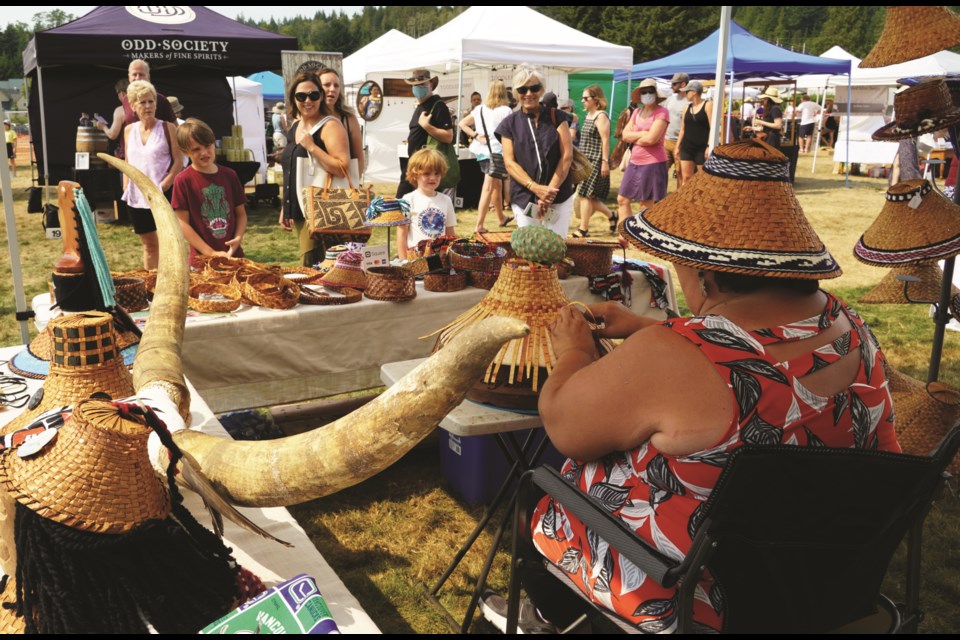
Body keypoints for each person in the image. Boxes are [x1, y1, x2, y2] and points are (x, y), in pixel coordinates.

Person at [521, 139, 900, 632]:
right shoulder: (849, 325)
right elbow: (755, 360)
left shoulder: (678, 353)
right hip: (815, 578)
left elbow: (564, 425)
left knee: (538, 491)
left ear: (704, 272)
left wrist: (573, 349)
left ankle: (553, 616)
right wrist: (647, 330)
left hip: (697, 592)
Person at [278, 70, 351, 267]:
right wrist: (286, 206)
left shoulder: (330, 126)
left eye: (314, 95)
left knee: (316, 267)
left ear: (321, 96)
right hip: (302, 210)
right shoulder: (296, 126)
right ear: (294, 99)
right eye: (301, 96)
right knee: (310, 266)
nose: (307, 100)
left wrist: (312, 147)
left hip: (323, 211)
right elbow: (292, 169)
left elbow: (343, 168)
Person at [496, 64, 574, 238]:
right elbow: (509, 163)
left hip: (558, 195)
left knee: (556, 246)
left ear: (542, 90)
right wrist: (536, 188)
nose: (529, 93)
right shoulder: (509, 124)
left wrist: (549, 193)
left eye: (534, 88)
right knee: (528, 247)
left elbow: (567, 156)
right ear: (516, 92)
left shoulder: (557, 117)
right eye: (523, 89)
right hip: (525, 197)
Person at [120, 80, 182, 270]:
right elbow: (128, 162)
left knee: (168, 244)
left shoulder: (167, 128)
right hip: (137, 197)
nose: (148, 106)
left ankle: (170, 285)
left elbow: (179, 161)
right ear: (133, 106)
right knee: (149, 245)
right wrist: (126, 185)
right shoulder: (129, 130)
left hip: (162, 195)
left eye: (151, 101)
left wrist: (166, 183)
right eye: (142, 102)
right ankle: (150, 288)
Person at [171, 118, 248, 268]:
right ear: (185, 151)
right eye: (196, 149)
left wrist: (238, 238)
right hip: (202, 263)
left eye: (207, 146)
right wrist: (210, 252)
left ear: (214, 142)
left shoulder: (230, 175)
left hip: (233, 258)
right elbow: (182, 223)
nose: (204, 152)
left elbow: (241, 214)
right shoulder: (183, 180)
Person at [459, 79, 513, 232]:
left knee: (497, 185)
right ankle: (479, 225)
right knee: (488, 187)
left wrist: (476, 136)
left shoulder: (480, 109)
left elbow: (462, 124)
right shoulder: (506, 110)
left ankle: (501, 217)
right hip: (497, 151)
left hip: (482, 151)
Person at [617, 77, 669, 220]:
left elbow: (652, 139)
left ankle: (642, 238)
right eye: (643, 91)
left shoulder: (662, 112)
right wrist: (642, 134)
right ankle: (624, 236)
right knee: (622, 199)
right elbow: (624, 135)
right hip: (634, 162)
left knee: (645, 204)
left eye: (650, 91)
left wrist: (635, 136)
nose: (647, 94)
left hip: (653, 163)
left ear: (655, 93)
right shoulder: (636, 112)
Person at [397, 68, 454, 199]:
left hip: (426, 166)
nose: (418, 88)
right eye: (415, 85)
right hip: (415, 164)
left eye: (422, 84)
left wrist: (426, 126)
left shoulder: (438, 106)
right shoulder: (421, 106)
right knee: (408, 203)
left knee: (402, 202)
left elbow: (449, 136)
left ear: (431, 85)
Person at [397, 148, 457, 260]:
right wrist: (403, 261)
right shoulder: (408, 199)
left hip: (440, 259)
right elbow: (401, 234)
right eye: (426, 173)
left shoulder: (446, 200)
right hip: (415, 258)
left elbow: (450, 233)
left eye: (437, 173)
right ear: (415, 175)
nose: (433, 178)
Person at [571, 84, 614, 238]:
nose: (582, 100)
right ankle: (612, 216)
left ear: (595, 99)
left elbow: (605, 140)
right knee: (589, 196)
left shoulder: (601, 116)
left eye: (585, 98)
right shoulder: (588, 115)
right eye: (582, 98)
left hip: (595, 160)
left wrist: (604, 161)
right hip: (585, 160)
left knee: (585, 195)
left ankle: (583, 229)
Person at [318, 67, 364, 183]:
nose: (332, 89)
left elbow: (358, 158)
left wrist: (353, 183)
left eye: (336, 86)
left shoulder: (349, 119)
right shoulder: (308, 118)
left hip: (342, 185)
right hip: (313, 184)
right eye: (327, 85)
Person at [676, 80, 714, 184]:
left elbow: (713, 127)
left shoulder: (708, 105)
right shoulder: (686, 107)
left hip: (701, 148)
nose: (684, 94)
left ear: (694, 92)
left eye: (687, 91)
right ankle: (685, 200)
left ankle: (701, 199)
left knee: (702, 179)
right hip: (687, 147)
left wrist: (709, 146)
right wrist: (677, 146)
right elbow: (683, 129)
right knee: (686, 178)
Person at [122, 59, 177, 126]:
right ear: (129, 77)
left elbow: (175, 128)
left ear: (148, 77)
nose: (137, 78)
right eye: (134, 74)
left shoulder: (161, 100)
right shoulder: (126, 100)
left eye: (141, 74)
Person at [664, 72, 690, 188]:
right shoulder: (670, 99)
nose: (672, 86)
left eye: (674, 84)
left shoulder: (690, 102)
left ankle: (678, 201)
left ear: (683, 84)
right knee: (661, 171)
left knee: (681, 175)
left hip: (682, 144)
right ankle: (658, 200)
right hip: (666, 141)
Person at [95, 79, 129, 156]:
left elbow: (112, 135)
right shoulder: (143, 106)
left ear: (122, 94)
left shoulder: (120, 110)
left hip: (128, 154)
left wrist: (103, 127)